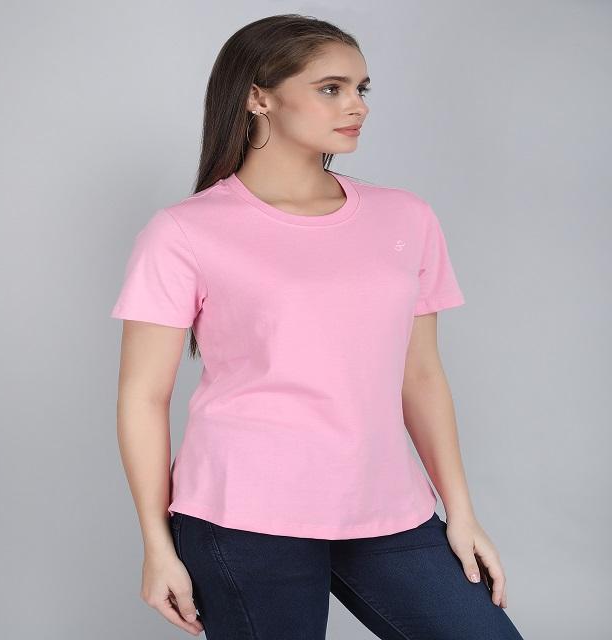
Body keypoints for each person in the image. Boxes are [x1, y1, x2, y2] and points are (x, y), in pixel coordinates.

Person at [110, 13, 525, 640]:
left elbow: (420, 375)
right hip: (242, 516)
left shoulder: (405, 218)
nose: (357, 105)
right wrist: (156, 543)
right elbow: (143, 395)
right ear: (258, 97)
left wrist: (460, 512)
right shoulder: (184, 232)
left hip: (387, 506)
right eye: (331, 88)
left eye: (361, 88)